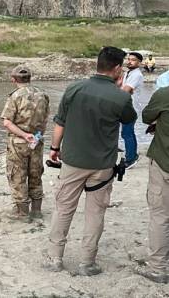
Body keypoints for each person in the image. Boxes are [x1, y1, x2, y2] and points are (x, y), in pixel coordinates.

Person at [44, 46, 136, 276]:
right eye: (122, 67)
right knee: (95, 214)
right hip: (103, 166)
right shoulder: (121, 96)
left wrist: (54, 148)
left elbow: (60, 122)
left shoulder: (74, 88)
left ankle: (55, 258)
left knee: (63, 209)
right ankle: (87, 262)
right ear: (116, 69)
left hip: (73, 160)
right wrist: (119, 90)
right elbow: (129, 119)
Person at [0, 65, 50, 219]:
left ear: (13, 79)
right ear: (30, 78)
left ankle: (22, 212)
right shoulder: (43, 95)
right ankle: (36, 210)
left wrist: (24, 134)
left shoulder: (15, 96)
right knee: (35, 174)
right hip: (37, 141)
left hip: (18, 143)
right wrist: (36, 135)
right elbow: (45, 119)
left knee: (17, 175)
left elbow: (7, 122)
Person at [136, 81, 169, 283]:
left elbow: (147, 116)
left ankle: (158, 267)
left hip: (165, 163)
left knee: (160, 215)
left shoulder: (164, 95)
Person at [121, 51, 144, 168]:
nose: (129, 61)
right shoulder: (128, 73)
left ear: (139, 62)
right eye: (129, 59)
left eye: (133, 59)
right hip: (126, 106)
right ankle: (132, 155)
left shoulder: (137, 75)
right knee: (128, 133)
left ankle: (131, 159)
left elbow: (125, 90)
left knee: (127, 133)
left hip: (131, 108)